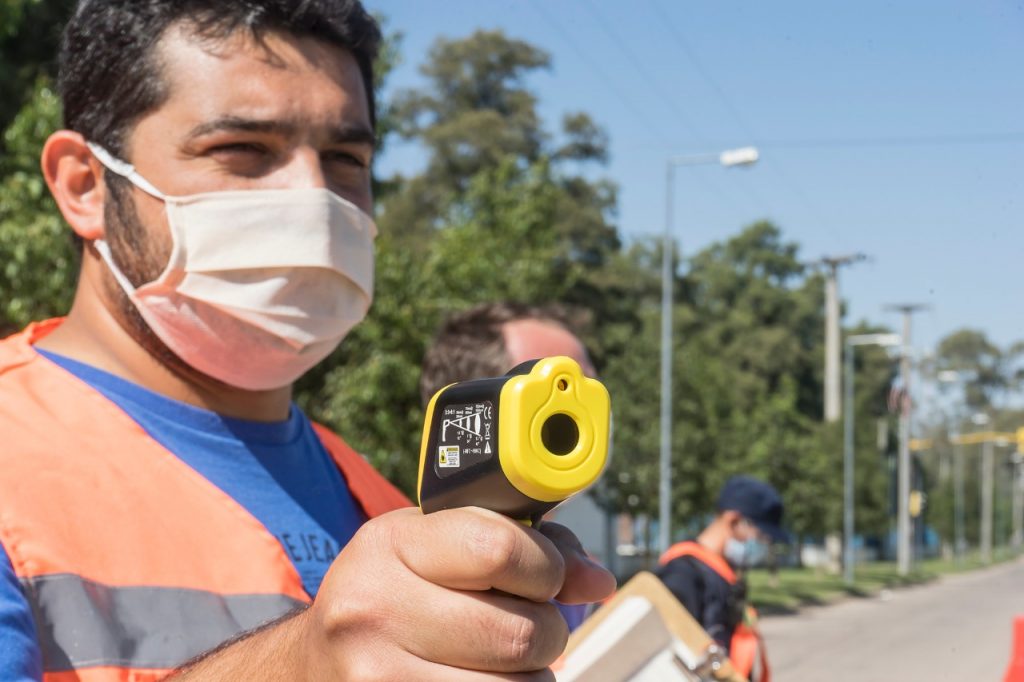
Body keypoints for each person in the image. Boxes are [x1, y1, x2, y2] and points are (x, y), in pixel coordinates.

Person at [0, 2, 614, 680]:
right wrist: (301, 664)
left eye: (346, 158)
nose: (314, 199)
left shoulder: (381, 504)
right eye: (242, 150)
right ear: (84, 185)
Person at [656, 475, 787, 682]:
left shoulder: (722, 572)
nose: (763, 544)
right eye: (761, 536)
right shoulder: (683, 573)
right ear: (734, 521)